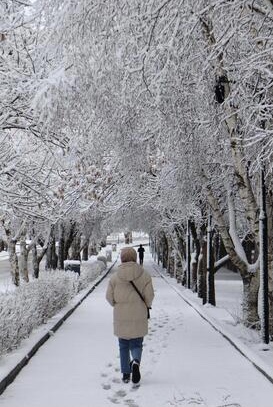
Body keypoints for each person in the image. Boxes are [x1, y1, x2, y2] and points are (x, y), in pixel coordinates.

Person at [106, 247, 154, 385]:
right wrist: (146, 304)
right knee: (137, 343)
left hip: (121, 316)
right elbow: (150, 295)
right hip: (139, 314)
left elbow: (109, 297)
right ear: (135, 258)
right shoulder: (144, 275)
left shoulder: (115, 277)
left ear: (121, 258)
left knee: (123, 345)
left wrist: (117, 304)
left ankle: (126, 374)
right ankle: (136, 362)